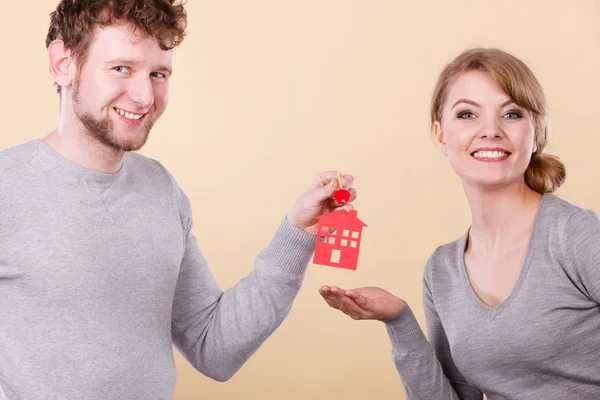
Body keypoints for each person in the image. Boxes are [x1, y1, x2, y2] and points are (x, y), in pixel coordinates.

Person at [0, 1, 356, 399]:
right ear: (64, 63)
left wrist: (297, 232)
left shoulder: (161, 190)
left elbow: (214, 348)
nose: (143, 95)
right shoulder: (7, 188)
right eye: (122, 68)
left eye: (158, 74)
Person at [320, 47, 600, 399]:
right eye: (467, 114)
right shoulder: (442, 271)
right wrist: (399, 321)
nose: (491, 131)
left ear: (536, 131)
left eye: (511, 114)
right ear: (440, 135)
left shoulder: (578, 236)